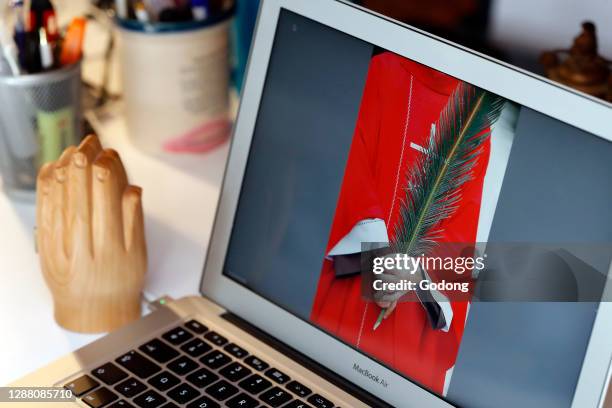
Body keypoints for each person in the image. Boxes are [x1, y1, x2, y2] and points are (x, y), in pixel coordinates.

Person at [310, 51, 490, 394]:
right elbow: (348, 158)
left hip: (412, 303)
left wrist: (415, 272)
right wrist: (375, 254)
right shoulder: (380, 71)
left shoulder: (474, 117)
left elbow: (461, 223)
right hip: (351, 274)